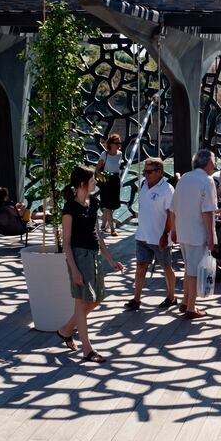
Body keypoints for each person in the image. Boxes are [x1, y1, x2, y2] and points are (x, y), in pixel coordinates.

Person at [56, 166, 125, 363]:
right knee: (81, 301)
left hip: (93, 256)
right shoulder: (70, 207)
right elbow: (66, 242)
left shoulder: (93, 202)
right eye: (92, 180)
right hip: (78, 257)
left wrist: (111, 260)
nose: (96, 182)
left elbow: (97, 234)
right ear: (82, 183)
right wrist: (75, 270)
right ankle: (87, 349)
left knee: (95, 299)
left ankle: (66, 330)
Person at [171, 150, 218, 320]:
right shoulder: (207, 180)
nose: (215, 165)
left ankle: (185, 301)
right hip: (198, 232)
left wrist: (174, 230)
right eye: (213, 161)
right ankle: (191, 307)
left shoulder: (184, 178)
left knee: (188, 268)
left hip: (183, 230)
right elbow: (208, 211)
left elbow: (173, 207)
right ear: (207, 163)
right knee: (195, 272)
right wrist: (211, 236)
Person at [125, 158, 176, 311]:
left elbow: (171, 214)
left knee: (166, 267)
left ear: (159, 171)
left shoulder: (167, 189)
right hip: (142, 235)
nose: (146, 175)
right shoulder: (143, 185)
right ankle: (136, 298)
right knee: (140, 266)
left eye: (149, 172)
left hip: (159, 237)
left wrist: (165, 234)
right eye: (144, 172)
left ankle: (171, 297)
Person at [95, 133, 122, 236]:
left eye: (119, 142)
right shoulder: (104, 154)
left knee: (110, 205)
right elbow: (97, 169)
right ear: (110, 144)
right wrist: (102, 178)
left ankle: (102, 227)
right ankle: (112, 229)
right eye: (116, 143)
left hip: (115, 180)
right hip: (106, 180)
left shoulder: (120, 154)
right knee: (108, 205)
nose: (118, 145)